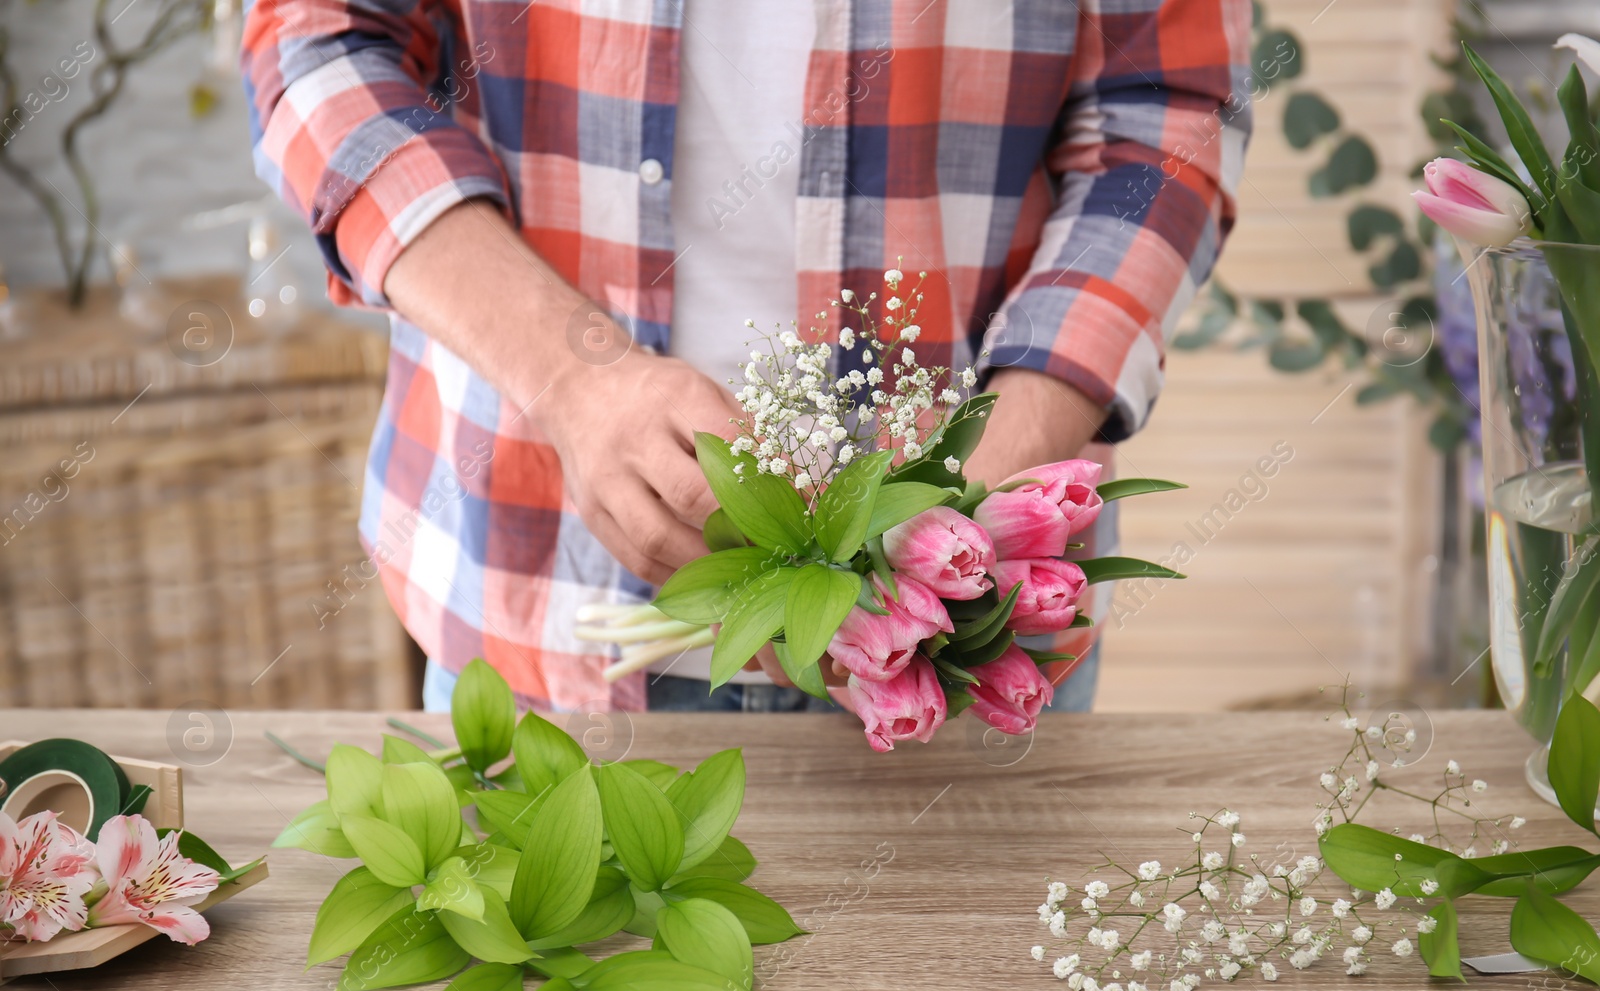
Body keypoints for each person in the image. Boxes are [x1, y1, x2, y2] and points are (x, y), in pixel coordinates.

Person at [241, 0, 1252, 714]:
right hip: (536, 602)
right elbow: (317, 37)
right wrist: (569, 373)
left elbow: (1168, 109)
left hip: (966, 637)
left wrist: (1010, 440)